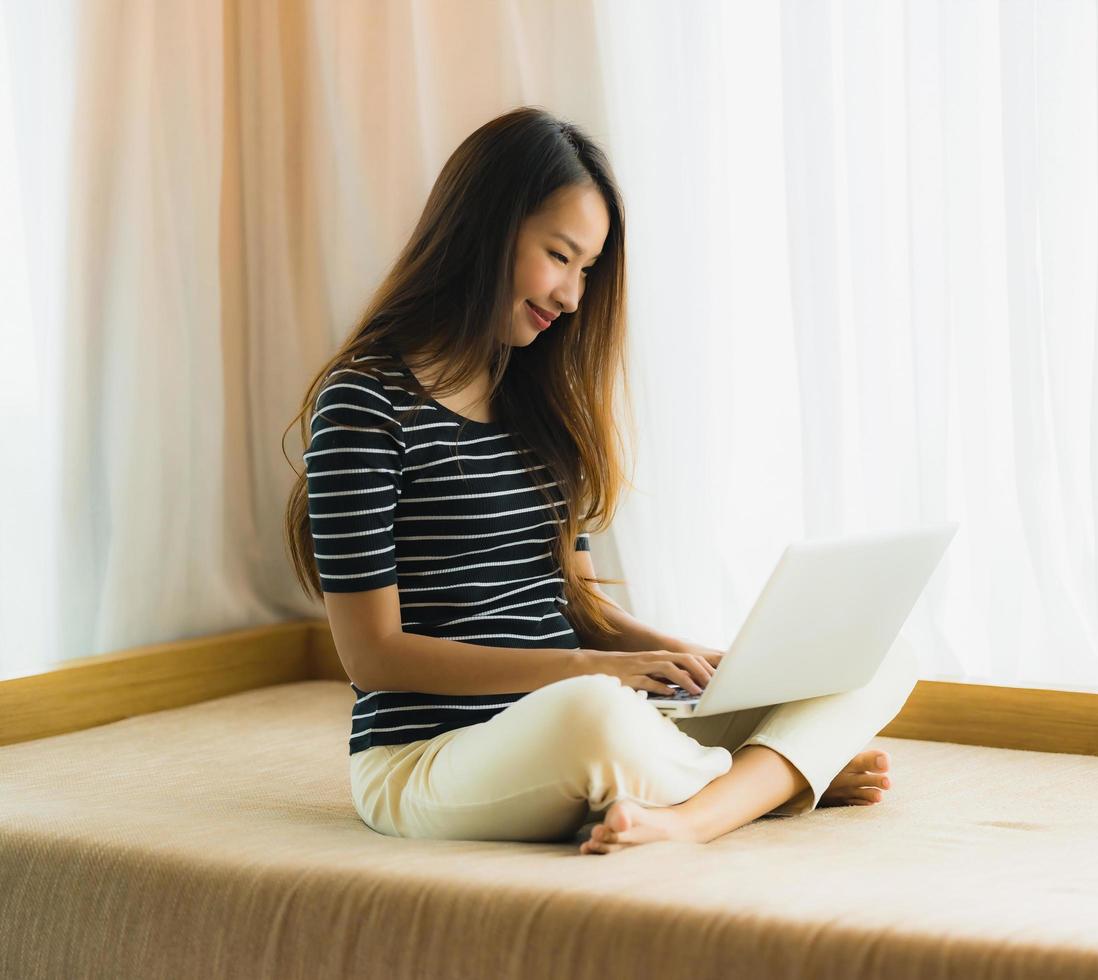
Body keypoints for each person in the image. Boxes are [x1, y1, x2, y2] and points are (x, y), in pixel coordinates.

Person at [281, 106, 916, 855]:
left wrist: (700, 664)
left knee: (875, 654)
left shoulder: (534, 401)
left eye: (587, 271)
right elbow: (374, 656)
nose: (573, 297)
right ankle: (777, 777)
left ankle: (701, 804)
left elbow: (577, 605)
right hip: (431, 757)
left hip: (572, 715)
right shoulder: (364, 400)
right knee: (596, 714)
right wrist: (598, 671)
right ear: (486, 228)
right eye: (560, 256)